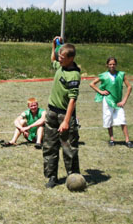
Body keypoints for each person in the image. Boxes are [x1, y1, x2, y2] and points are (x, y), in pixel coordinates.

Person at [42, 36, 81, 189]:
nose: (59, 59)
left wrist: (66, 121)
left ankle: (73, 177)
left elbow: (73, 100)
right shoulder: (60, 66)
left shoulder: (74, 74)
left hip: (65, 114)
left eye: (63, 57)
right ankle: (52, 176)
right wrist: (54, 45)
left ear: (71, 58)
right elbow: (53, 58)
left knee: (68, 148)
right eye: (59, 56)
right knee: (49, 147)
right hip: (51, 111)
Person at [90, 57, 133, 148]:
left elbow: (129, 87)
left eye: (113, 64)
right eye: (110, 64)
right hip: (107, 100)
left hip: (118, 101)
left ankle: (127, 140)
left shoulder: (121, 74)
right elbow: (92, 84)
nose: (112, 66)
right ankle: (112, 139)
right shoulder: (103, 75)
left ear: (116, 65)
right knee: (108, 119)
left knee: (122, 119)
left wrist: (124, 100)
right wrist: (100, 91)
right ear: (107, 65)